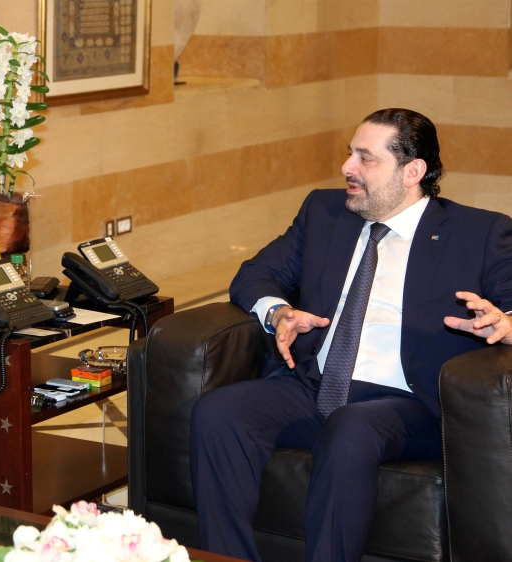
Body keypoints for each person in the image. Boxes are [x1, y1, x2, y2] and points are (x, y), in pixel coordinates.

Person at [189, 108, 512, 562]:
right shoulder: (324, 212)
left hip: (410, 401)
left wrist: (506, 324)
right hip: (316, 384)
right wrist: (279, 312)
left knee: (351, 429)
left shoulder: (479, 233)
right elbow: (255, 274)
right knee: (219, 413)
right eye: (349, 154)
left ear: (412, 172)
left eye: (366, 158)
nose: (347, 167)